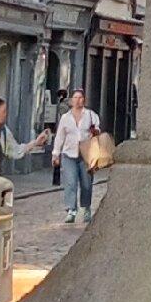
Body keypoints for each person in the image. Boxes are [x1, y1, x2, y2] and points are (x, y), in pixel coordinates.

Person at [51, 89, 103, 225]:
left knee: (86, 184)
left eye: (80, 97)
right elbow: (60, 136)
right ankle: (71, 210)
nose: (78, 100)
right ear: (71, 100)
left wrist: (95, 131)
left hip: (86, 155)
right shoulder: (65, 118)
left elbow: (97, 129)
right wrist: (55, 154)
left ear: (84, 100)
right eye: (75, 97)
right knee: (71, 182)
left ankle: (86, 208)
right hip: (69, 154)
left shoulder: (91, 115)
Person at [0, 97, 48, 178]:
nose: (5, 114)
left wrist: (36, 142)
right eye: (3, 111)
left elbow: (16, 150)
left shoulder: (3, 132)